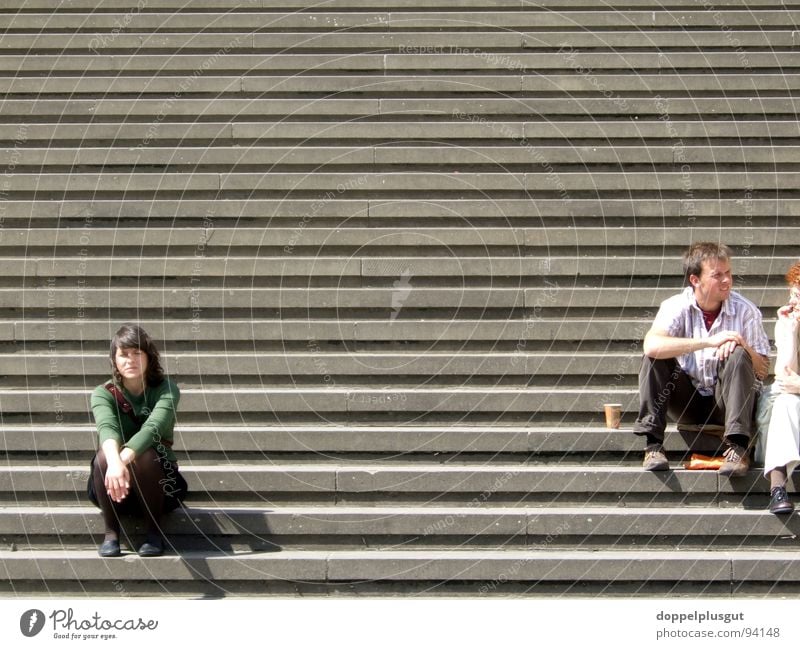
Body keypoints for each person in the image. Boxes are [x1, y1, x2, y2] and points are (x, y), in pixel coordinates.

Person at [633, 242, 770, 475]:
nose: (727, 280)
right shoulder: (676, 306)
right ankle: (653, 445)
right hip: (687, 401)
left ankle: (737, 448)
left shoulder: (745, 310)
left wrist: (743, 344)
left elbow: (764, 370)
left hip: (728, 403)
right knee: (655, 357)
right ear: (695, 280)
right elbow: (651, 345)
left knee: (737, 354)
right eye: (717, 275)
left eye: (728, 273)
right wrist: (708, 342)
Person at [88, 324, 187, 557]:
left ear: (149, 358)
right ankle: (111, 534)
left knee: (145, 453)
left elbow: (154, 428)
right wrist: (114, 463)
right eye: (123, 354)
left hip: (161, 486)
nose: (130, 360)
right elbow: (107, 428)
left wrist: (122, 459)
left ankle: (154, 532)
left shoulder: (166, 389)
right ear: (114, 360)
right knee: (104, 456)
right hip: (113, 490)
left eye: (137, 353)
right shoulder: (103, 393)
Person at [757, 263, 800, 514]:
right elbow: (785, 377)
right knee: (786, 400)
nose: (793, 302)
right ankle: (777, 489)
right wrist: (792, 334)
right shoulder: (787, 322)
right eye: (793, 294)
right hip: (787, 411)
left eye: (798, 295)